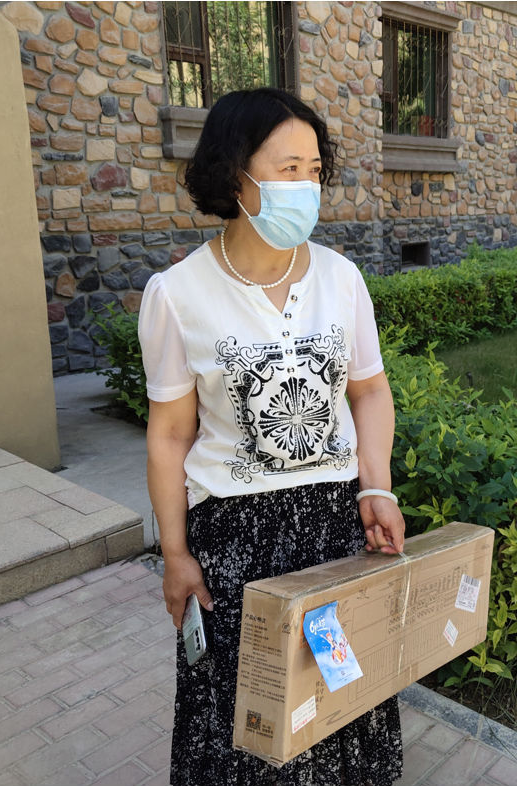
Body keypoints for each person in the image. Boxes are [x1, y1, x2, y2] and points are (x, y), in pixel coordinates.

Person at [138, 87, 405, 786]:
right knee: (248, 727)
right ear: (236, 174)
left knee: (341, 704)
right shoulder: (177, 295)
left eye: (315, 171)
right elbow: (169, 436)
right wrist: (175, 554)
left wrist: (375, 487)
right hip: (236, 545)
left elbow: (369, 390)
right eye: (289, 170)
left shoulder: (341, 279)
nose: (307, 187)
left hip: (332, 529)